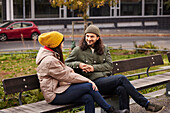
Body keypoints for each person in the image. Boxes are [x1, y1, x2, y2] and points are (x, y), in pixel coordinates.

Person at [65, 25, 165, 112]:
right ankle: (146, 104)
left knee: (122, 89)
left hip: (106, 81)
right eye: (87, 36)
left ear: (98, 37)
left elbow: (109, 66)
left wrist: (93, 68)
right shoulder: (78, 50)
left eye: (92, 36)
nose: (89, 39)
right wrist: (79, 64)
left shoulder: (104, 49)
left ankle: (125, 112)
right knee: (121, 78)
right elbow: (66, 64)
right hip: (93, 83)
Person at [36, 31, 129, 113]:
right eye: (62, 43)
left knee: (88, 98)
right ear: (55, 45)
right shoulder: (49, 60)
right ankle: (110, 110)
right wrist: (88, 80)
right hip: (54, 95)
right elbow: (66, 76)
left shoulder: (51, 55)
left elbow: (65, 70)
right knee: (89, 86)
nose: (63, 45)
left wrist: (76, 67)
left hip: (60, 89)